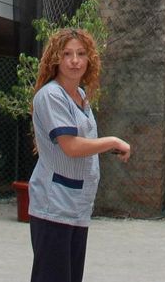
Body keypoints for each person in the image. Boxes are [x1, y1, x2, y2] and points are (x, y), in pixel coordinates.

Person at [28, 28, 131, 282]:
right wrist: (112, 141)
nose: (75, 60)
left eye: (81, 53)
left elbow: (82, 141)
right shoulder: (51, 95)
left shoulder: (81, 96)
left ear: (89, 60)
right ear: (56, 59)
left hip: (76, 205)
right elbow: (71, 146)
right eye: (67, 54)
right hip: (54, 204)